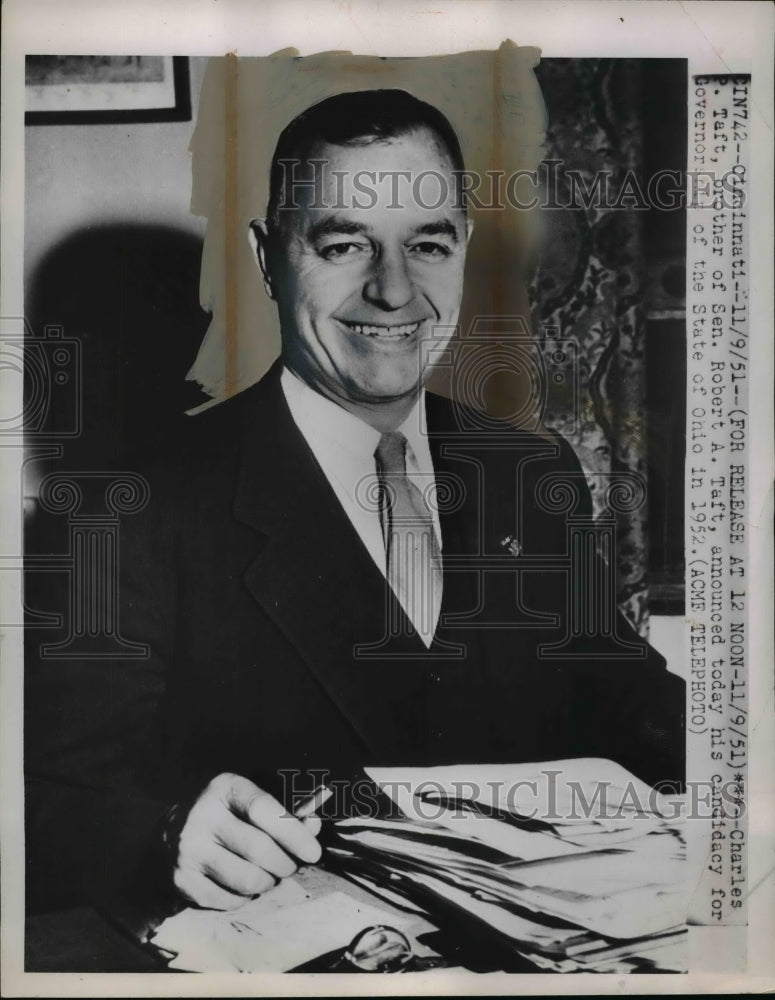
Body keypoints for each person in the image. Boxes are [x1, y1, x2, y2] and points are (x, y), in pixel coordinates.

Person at [25, 89, 684, 917]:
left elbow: (625, 693)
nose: (394, 290)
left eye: (428, 244)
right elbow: (46, 801)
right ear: (269, 257)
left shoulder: (529, 470)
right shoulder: (120, 511)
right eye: (344, 244)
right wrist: (162, 835)